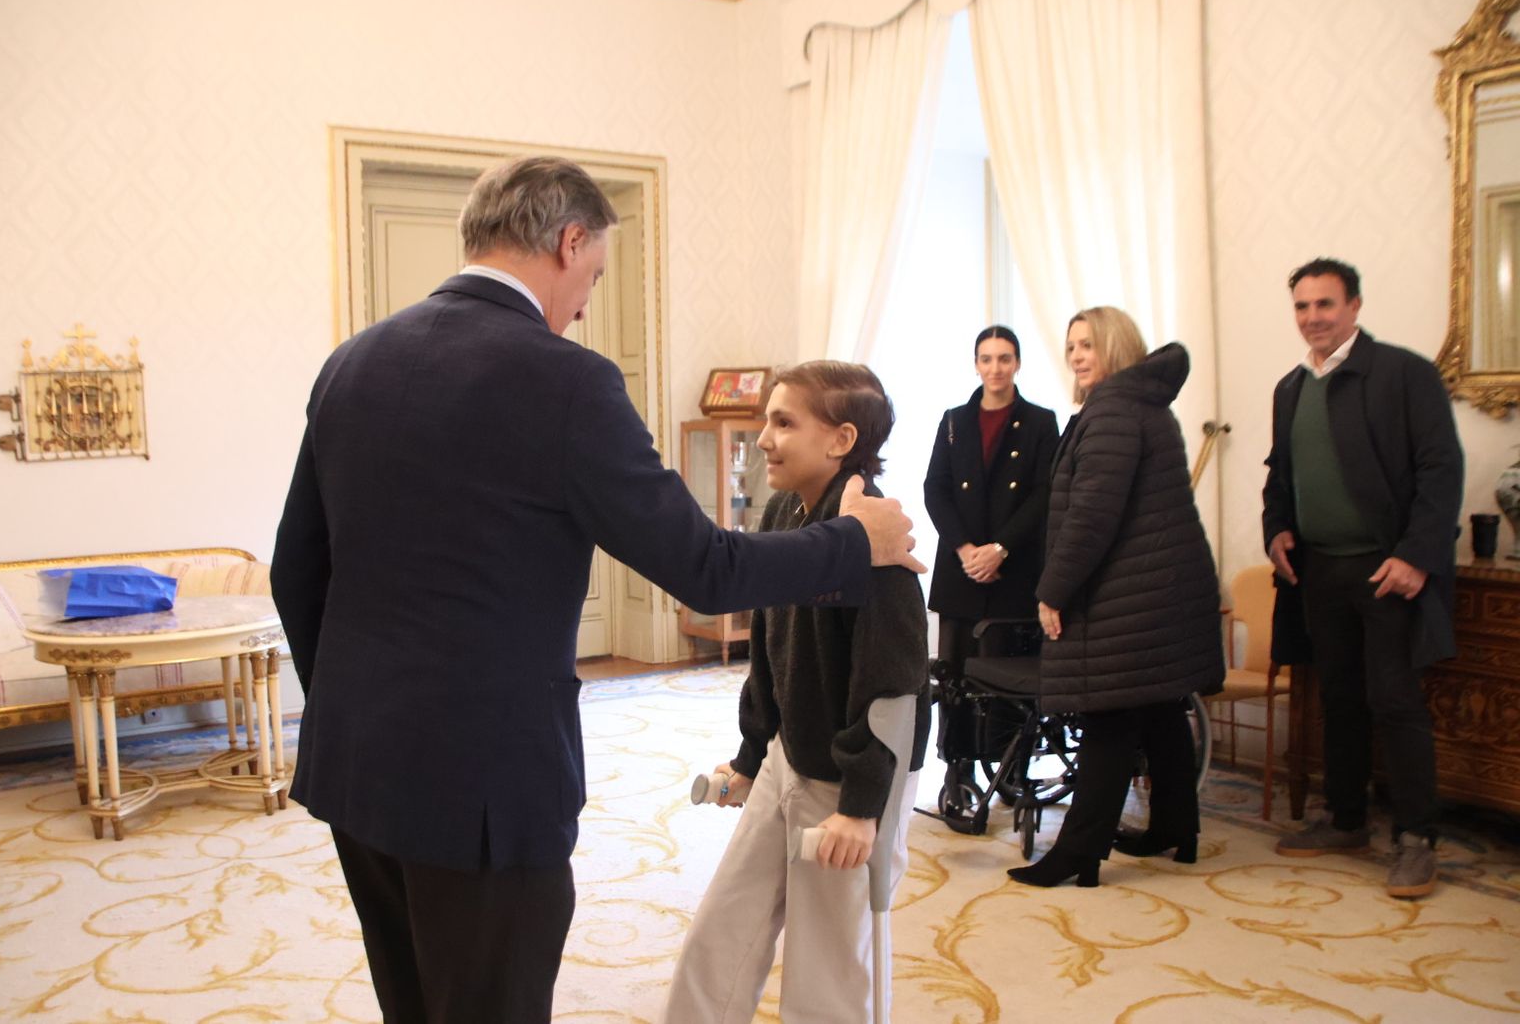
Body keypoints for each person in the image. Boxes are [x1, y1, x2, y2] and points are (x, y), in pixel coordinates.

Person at [269, 156, 923, 1024]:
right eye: (594, 276)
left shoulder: (351, 363)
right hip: (487, 786)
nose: (584, 304)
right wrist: (855, 540)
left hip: (357, 767)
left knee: (414, 1001)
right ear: (570, 241)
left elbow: (295, 571)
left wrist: (358, 708)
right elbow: (705, 567)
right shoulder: (565, 379)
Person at [662, 361, 930, 1024]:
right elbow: (772, 647)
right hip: (791, 754)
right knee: (719, 935)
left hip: (852, 778)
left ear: (841, 439)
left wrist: (863, 809)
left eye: (783, 422)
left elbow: (894, 691)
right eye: (765, 421)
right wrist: (753, 753)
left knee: (828, 973)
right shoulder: (784, 512)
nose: (762, 439)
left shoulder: (878, 536)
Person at [1262, 257, 1463, 899]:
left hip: (1388, 570)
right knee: (1339, 700)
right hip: (1320, 571)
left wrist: (1416, 556)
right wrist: (1277, 529)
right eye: (1302, 306)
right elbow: (1279, 476)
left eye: (1325, 304)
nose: (1313, 317)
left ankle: (1415, 839)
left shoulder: (1404, 374)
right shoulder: (1291, 388)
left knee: (1395, 702)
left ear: (1354, 306)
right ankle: (1347, 821)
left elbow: (1441, 469)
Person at [1009, 307, 1223, 888]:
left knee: (1108, 716)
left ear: (1117, 348)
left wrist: (1053, 589)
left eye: (1089, 345)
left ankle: (1078, 851)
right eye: (1071, 345)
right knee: (1158, 708)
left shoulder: (1113, 411)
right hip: (1159, 588)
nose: (1077, 356)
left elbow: (1091, 516)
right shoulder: (1142, 405)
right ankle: (1177, 827)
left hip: (1133, 592)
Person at [923, 325, 1058, 781]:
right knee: (957, 676)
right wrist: (966, 549)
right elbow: (935, 489)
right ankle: (957, 770)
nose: (995, 367)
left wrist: (1000, 549)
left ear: (1017, 363)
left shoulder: (1041, 421)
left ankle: (1013, 769)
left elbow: (1045, 493)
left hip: (1013, 570)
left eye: (1004, 358)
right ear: (976, 364)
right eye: (987, 358)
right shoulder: (954, 421)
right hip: (961, 570)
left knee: (1008, 677)